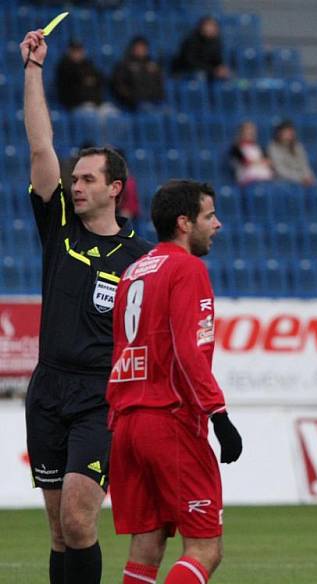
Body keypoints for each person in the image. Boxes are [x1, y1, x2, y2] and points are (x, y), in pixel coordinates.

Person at [20, 29, 153, 584]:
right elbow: (40, 147)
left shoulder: (141, 257)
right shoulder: (60, 231)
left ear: (115, 188)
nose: (76, 186)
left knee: (79, 517)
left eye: (88, 179)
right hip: (47, 388)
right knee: (57, 530)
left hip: (100, 396)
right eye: (74, 179)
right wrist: (32, 70)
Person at [107, 179, 243, 584]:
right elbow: (188, 350)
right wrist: (218, 415)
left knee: (146, 545)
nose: (217, 224)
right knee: (205, 548)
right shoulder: (188, 268)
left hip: (126, 423)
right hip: (169, 420)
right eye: (209, 216)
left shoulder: (134, 271)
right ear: (184, 223)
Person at [55, 39, 114, 115]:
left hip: (96, 103)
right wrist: (85, 80)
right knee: (91, 114)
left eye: (79, 50)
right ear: (69, 51)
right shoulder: (64, 66)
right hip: (75, 104)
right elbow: (69, 87)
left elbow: (101, 79)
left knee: (111, 113)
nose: (78, 53)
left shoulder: (88, 64)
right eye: (75, 51)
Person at [111, 36, 165, 111]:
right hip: (133, 103)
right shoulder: (124, 65)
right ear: (133, 49)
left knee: (169, 114)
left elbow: (160, 84)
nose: (141, 50)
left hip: (155, 101)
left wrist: (158, 97)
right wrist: (132, 98)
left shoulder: (153, 65)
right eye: (139, 47)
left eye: (144, 48)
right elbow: (119, 85)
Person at [268, 120, 316, 186]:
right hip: (285, 181)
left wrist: (308, 176)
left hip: (303, 180)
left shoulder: (298, 146)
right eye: (286, 131)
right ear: (280, 133)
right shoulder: (273, 147)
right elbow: (280, 170)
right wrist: (300, 178)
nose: (289, 133)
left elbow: (304, 165)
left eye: (291, 131)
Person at [229, 121, 275, 186]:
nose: (250, 133)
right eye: (247, 131)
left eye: (252, 131)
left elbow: (269, 161)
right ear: (241, 132)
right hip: (246, 176)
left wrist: (257, 162)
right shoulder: (236, 148)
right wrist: (260, 162)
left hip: (263, 175)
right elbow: (245, 162)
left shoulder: (259, 147)